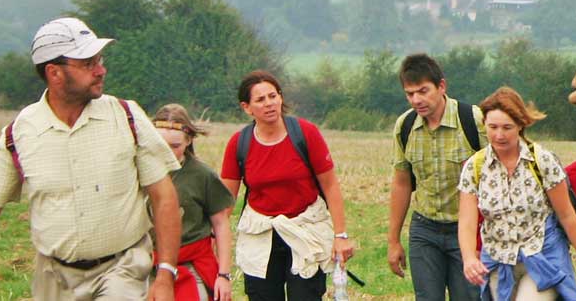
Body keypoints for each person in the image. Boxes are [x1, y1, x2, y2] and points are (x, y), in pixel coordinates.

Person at [0, 17, 183, 301]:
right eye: (88, 63)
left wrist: (166, 274)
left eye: (99, 60)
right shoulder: (18, 134)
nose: (101, 70)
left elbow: (165, 197)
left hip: (124, 269)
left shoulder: (127, 117)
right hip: (53, 279)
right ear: (54, 72)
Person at [220, 71, 356, 300]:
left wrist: (340, 235)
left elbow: (331, 185)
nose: (269, 104)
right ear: (247, 107)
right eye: (260, 100)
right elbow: (224, 202)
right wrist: (213, 241)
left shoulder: (305, 134)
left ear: (281, 98)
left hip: (305, 230)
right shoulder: (239, 143)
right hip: (260, 235)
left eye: (273, 96)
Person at [455, 87, 576, 300]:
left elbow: (567, 215)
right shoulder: (475, 167)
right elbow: (467, 220)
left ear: (521, 125)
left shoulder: (542, 161)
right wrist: (468, 258)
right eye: (492, 127)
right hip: (497, 259)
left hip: (542, 257)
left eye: (507, 127)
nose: (499, 135)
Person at [388, 53, 487, 301]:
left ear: (441, 86)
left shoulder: (473, 121)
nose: (417, 100)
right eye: (410, 94)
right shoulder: (405, 126)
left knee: (468, 297)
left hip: (466, 230)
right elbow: (401, 183)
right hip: (424, 228)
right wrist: (393, 241)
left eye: (423, 91)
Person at [151, 104, 235, 301]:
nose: (168, 153)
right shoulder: (140, 170)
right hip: (147, 265)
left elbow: (221, 224)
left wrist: (224, 275)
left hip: (190, 263)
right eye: (162, 145)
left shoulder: (202, 175)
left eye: (175, 146)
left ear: (188, 140)